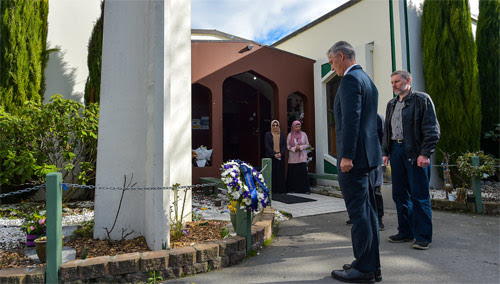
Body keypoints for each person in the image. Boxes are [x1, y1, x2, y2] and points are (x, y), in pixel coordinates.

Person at [328, 41, 382, 283]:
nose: (332, 68)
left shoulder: (350, 80)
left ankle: (364, 270)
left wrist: (347, 155)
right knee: (369, 213)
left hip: (354, 160)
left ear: (341, 56)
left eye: (331, 62)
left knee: (359, 215)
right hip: (368, 158)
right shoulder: (367, 80)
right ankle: (371, 265)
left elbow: (351, 120)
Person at [382, 70, 440, 250]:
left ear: (408, 80)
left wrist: (425, 153)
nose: (394, 85)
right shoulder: (391, 104)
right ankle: (405, 232)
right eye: (392, 82)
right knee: (399, 194)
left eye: (397, 82)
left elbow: (431, 128)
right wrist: (385, 152)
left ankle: (423, 237)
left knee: (419, 195)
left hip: (415, 152)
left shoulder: (422, 99)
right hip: (396, 150)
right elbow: (387, 130)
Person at [346, 114, 386, 231]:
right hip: (357, 157)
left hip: (373, 156)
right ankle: (358, 216)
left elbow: (383, 136)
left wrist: (383, 153)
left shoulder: (378, 117)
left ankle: (378, 219)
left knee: (375, 189)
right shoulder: (354, 115)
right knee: (357, 189)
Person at [286, 120, 311, 194]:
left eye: (299, 126)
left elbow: (307, 144)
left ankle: (304, 189)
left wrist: (300, 147)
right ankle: (292, 189)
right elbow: (287, 146)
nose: (298, 128)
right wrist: (294, 148)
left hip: (302, 156)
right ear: (293, 127)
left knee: (302, 172)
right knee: (294, 172)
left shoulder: (304, 134)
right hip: (293, 156)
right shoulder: (290, 135)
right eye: (296, 126)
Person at [264, 120, 287, 194]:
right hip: (271, 157)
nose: (275, 127)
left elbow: (284, 145)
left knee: (280, 173)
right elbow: (267, 145)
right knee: (273, 173)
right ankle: (273, 190)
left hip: (280, 156)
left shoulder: (282, 135)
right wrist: (274, 154)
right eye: (273, 125)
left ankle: (280, 190)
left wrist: (281, 153)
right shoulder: (268, 134)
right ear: (271, 126)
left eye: (277, 125)